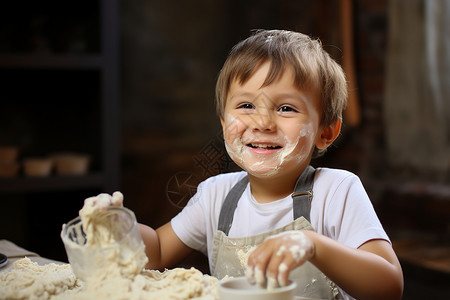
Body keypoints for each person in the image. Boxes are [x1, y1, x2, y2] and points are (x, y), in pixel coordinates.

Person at [92, 30, 403, 300]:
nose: (262, 122)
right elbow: (156, 252)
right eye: (246, 105)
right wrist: (121, 229)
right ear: (224, 121)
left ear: (326, 132)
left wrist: (313, 245)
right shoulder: (216, 195)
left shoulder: (336, 191)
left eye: (285, 108)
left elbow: (389, 286)